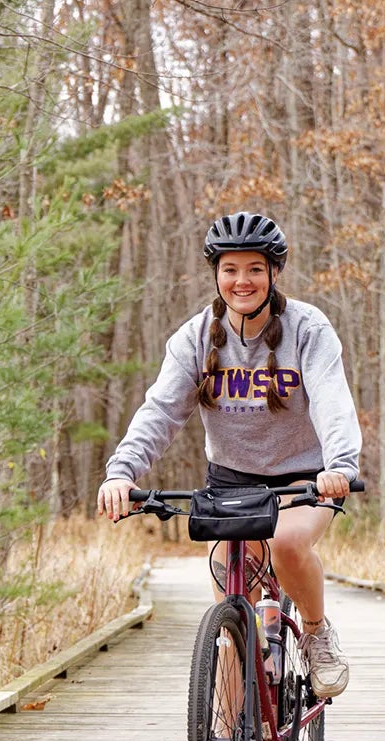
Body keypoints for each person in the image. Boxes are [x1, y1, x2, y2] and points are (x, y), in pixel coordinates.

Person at [98, 211, 362, 697]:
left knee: (285, 545)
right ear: (216, 273)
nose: (242, 281)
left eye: (255, 269)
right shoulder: (195, 338)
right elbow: (160, 410)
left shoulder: (307, 329)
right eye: (230, 269)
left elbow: (331, 400)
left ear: (274, 273)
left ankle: (317, 633)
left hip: (302, 480)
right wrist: (122, 472)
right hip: (231, 484)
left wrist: (340, 466)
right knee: (230, 629)